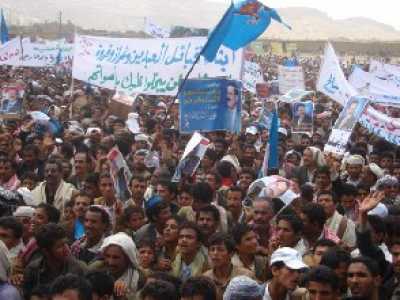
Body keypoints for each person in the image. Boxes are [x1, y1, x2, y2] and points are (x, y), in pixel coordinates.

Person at [23, 223, 86, 299]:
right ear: (45, 251)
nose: (66, 249)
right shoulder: (33, 270)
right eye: (59, 246)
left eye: (65, 243)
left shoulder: (77, 269)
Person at [94, 232, 145, 299]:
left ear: (127, 259)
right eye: (108, 256)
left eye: (116, 257)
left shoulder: (139, 278)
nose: (111, 262)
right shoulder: (97, 272)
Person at [203, 232, 254, 299]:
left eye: (220, 250)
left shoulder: (246, 276)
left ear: (231, 254)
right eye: (212, 249)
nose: (215, 253)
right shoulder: (205, 279)